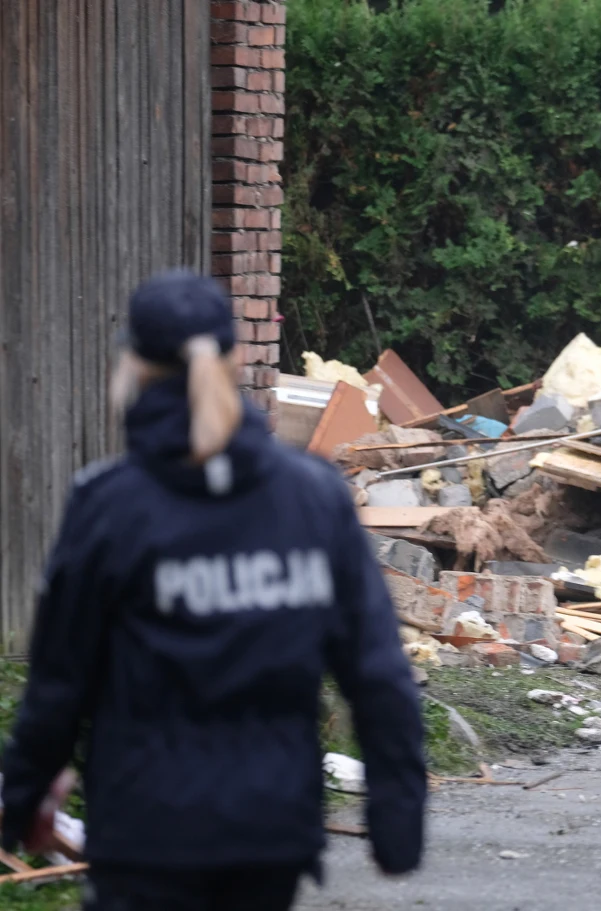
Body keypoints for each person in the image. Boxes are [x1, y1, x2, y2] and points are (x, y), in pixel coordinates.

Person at [0, 270, 427, 909]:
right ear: (232, 360)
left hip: (145, 832)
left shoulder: (109, 506)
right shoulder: (313, 497)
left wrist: (20, 799)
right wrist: (397, 817)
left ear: (134, 366)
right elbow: (376, 670)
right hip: (271, 831)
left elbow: (60, 683)